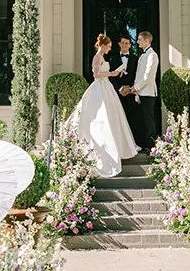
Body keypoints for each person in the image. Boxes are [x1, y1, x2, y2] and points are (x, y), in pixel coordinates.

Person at [67, 33, 139, 177]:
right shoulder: (97, 57)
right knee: (100, 117)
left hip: (107, 88)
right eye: (109, 46)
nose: (110, 49)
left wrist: (113, 73)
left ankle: (115, 147)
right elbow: (96, 75)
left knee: (112, 117)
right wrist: (112, 74)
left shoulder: (103, 57)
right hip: (99, 88)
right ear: (103, 45)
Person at [128, 30, 159, 151]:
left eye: (140, 39)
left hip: (148, 92)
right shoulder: (143, 55)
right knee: (142, 119)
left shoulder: (152, 55)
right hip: (140, 92)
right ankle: (143, 143)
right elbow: (139, 74)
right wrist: (136, 88)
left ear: (147, 41)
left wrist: (136, 87)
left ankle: (151, 145)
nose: (137, 41)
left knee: (148, 119)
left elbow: (148, 75)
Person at [111, 34, 139, 139]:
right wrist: (119, 88)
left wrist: (129, 88)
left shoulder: (135, 59)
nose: (124, 45)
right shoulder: (113, 58)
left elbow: (137, 75)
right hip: (117, 93)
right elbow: (111, 76)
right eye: (122, 43)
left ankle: (133, 141)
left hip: (131, 92)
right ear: (119, 44)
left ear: (130, 45)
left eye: (126, 43)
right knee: (117, 118)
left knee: (131, 118)